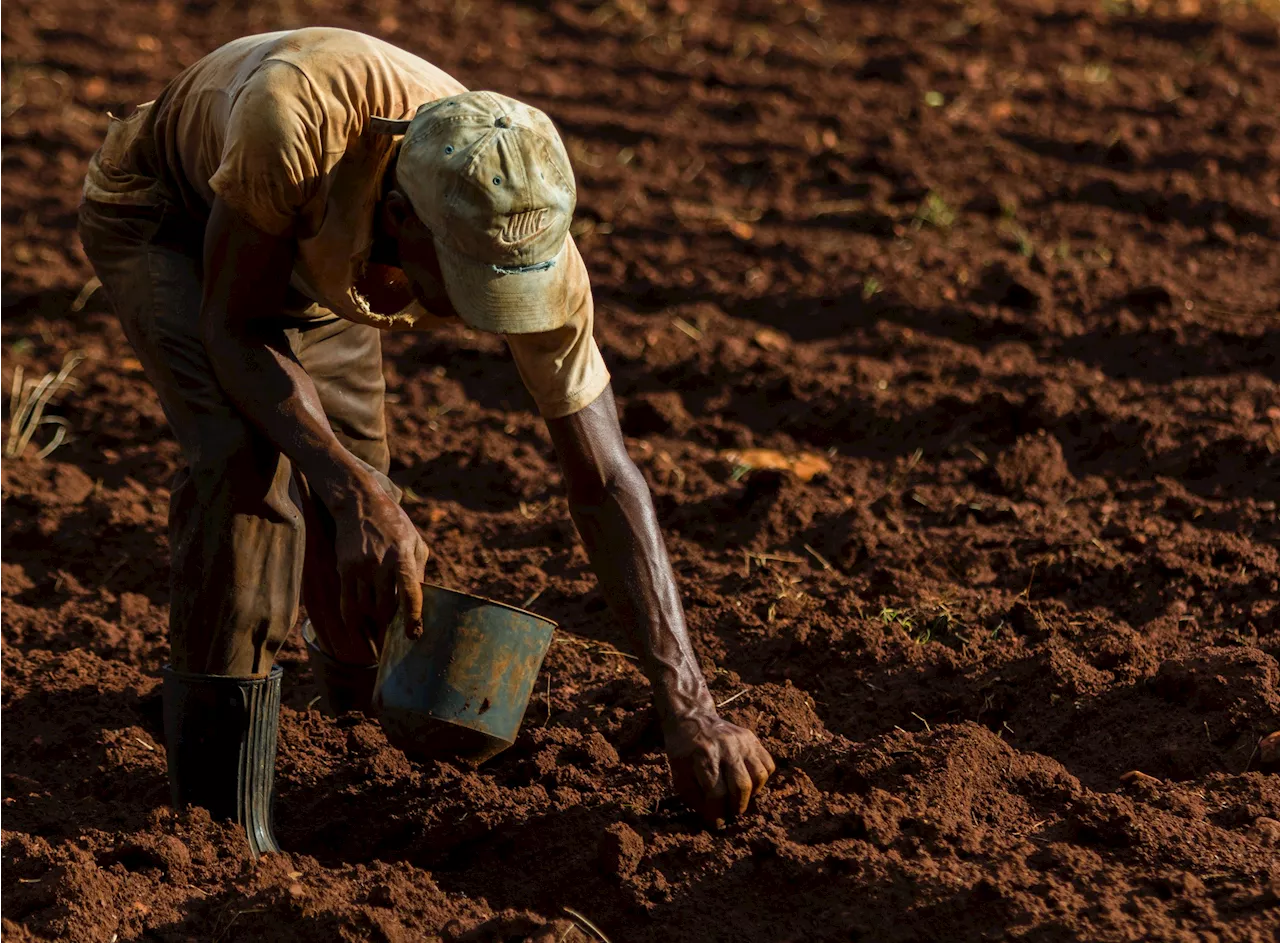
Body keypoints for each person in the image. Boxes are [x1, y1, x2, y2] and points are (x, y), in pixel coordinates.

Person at [77, 27, 774, 855]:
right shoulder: (293, 125)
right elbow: (233, 329)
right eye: (470, 284)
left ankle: (344, 744)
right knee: (248, 468)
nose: (487, 317)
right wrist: (347, 487)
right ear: (403, 220)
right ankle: (221, 824)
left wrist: (689, 705)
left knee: (359, 510)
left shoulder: (522, 216)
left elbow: (607, 477)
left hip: (316, 258)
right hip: (171, 216)